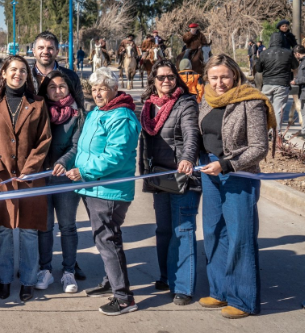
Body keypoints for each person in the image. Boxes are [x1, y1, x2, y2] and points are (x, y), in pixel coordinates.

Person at [197, 54, 275, 319]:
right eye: (214, 77)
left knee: (240, 236)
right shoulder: (206, 98)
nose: (219, 83)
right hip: (210, 172)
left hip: (239, 174)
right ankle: (219, 291)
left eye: (225, 77)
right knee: (214, 232)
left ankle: (242, 299)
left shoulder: (250, 100)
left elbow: (258, 148)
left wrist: (227, 165)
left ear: (235, 75)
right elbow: (203, 135)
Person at [65, 67, 141, 316]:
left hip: (109, 189)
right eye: (94, 89)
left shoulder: (122, 116)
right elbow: (85, 148)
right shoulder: (98, 112)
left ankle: (123, 297)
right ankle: (111, 281)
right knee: (102, 239)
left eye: (103, 88)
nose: (98, 93)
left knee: (108, 241)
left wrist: (83, 172)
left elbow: (115, 157)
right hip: (93, 187)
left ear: (114, 89)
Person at [0, 55, 51, 302]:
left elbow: (44, 140)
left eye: (22, 70)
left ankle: (29, 281)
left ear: (27, 76)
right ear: (4, 73)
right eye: (13, 70)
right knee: (4, 230)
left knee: (29, 230)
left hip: (31, 176)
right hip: (1, 176)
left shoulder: (38, 103)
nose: (18, 74)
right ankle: (5, 279)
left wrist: (30, 168)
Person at [137, 60, 200, 306]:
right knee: (163, 230)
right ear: (153, 80)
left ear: (177, 79)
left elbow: (191, 134)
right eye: (161, 77)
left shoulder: (186, 102)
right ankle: (166, 276)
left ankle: (183, 287)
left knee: (183, 229)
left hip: (182, 176)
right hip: (158, 176)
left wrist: (187, 158)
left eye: (171, 77)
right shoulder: (148, 106)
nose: (166, 81)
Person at [35, 69, 85, 294]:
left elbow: (78, 146)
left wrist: (64, 162)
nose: (57, 91)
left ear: (69, 88)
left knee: (67, 226)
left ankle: (68, 271)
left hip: (65, 178)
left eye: (62, 87)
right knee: (44, 227)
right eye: (52, 87)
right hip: (42, 177)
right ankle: (45, 269)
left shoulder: (77, 113)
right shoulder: (38, 111)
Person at [255, 32, 298, 132]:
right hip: (282, 84)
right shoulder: (288, 53)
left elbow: (259, 69)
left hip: (267, 84)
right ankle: (275, 134)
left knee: (266, 109)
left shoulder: (264, 53)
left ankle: (264, 132)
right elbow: (295, 66)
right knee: (278, 110)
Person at [32, 32, 83, 108]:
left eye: (50, 48)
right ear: (34, 52)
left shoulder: (71, 77)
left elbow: (80, 108)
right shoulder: (25, 78)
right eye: (41, 48)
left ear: (57, 52)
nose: (45, 52)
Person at [292, 45, 305, 137]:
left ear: (297, 53)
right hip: (303, 90)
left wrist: (296, 81)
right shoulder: (302, 62)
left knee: (304, 113)